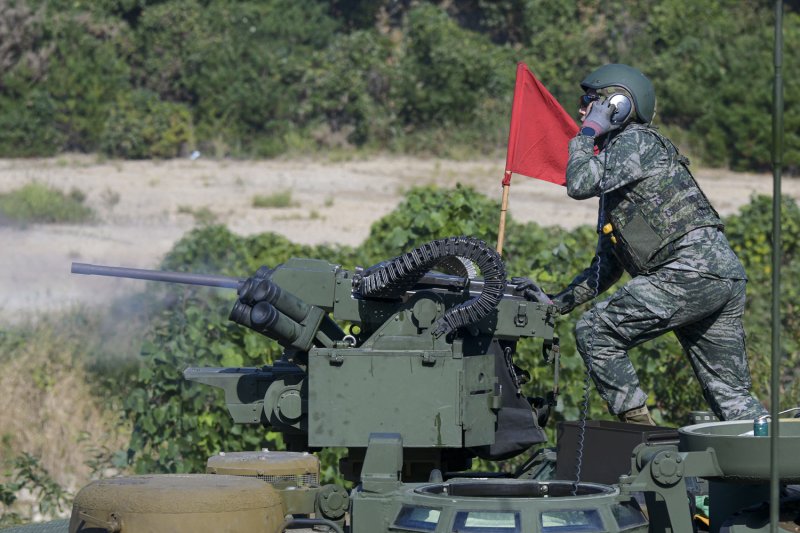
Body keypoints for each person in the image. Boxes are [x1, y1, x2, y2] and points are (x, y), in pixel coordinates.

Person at [550, 63, 767, 424]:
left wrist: (586, 134)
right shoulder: (619, 172)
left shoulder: (634, 142)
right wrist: (555, 303)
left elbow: (578, 182)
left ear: (618, 106)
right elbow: (606, 268)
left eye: (590, 101)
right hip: (717, 275)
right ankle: (770, 472)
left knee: (595, 330)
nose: (581, 109)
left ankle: (642, 436)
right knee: (732, 398)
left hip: (690, 271)